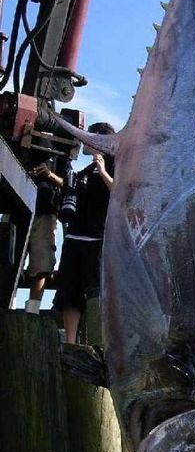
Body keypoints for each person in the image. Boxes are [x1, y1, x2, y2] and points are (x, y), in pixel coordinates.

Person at [53, 122, 115, 343]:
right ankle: (70, 343)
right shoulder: (83, 172)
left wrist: (103, 171)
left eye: (90, 135)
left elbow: (120, 191)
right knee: (70, 293)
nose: (84, 140)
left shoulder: (116, 165)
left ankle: (98, 343)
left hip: (96, 240)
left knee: (96, 291)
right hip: (73, 237)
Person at [24, 161, 63, 314]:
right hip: (16, 203)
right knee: (8, 258)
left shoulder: (61, 148)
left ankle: (32, 312)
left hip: (46, 209)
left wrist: (49, 175)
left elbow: (66, 183)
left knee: (42, 264)